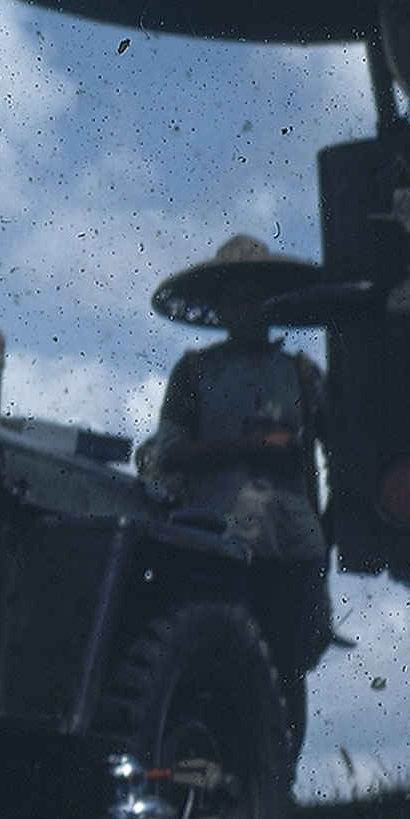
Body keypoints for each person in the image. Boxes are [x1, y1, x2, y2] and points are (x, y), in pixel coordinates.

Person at [137, 234, 334, 727]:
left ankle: (278, 769)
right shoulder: (196, 371)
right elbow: (171, 452)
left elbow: (343, 454)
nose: (245, 309)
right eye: (234, 298)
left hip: (291, 548)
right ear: (219, 307)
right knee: (213, 667)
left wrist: (329, 528)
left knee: (287, 674)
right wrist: (251, 447)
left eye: (255, 297)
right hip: (216, 544)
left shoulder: (303, 375)